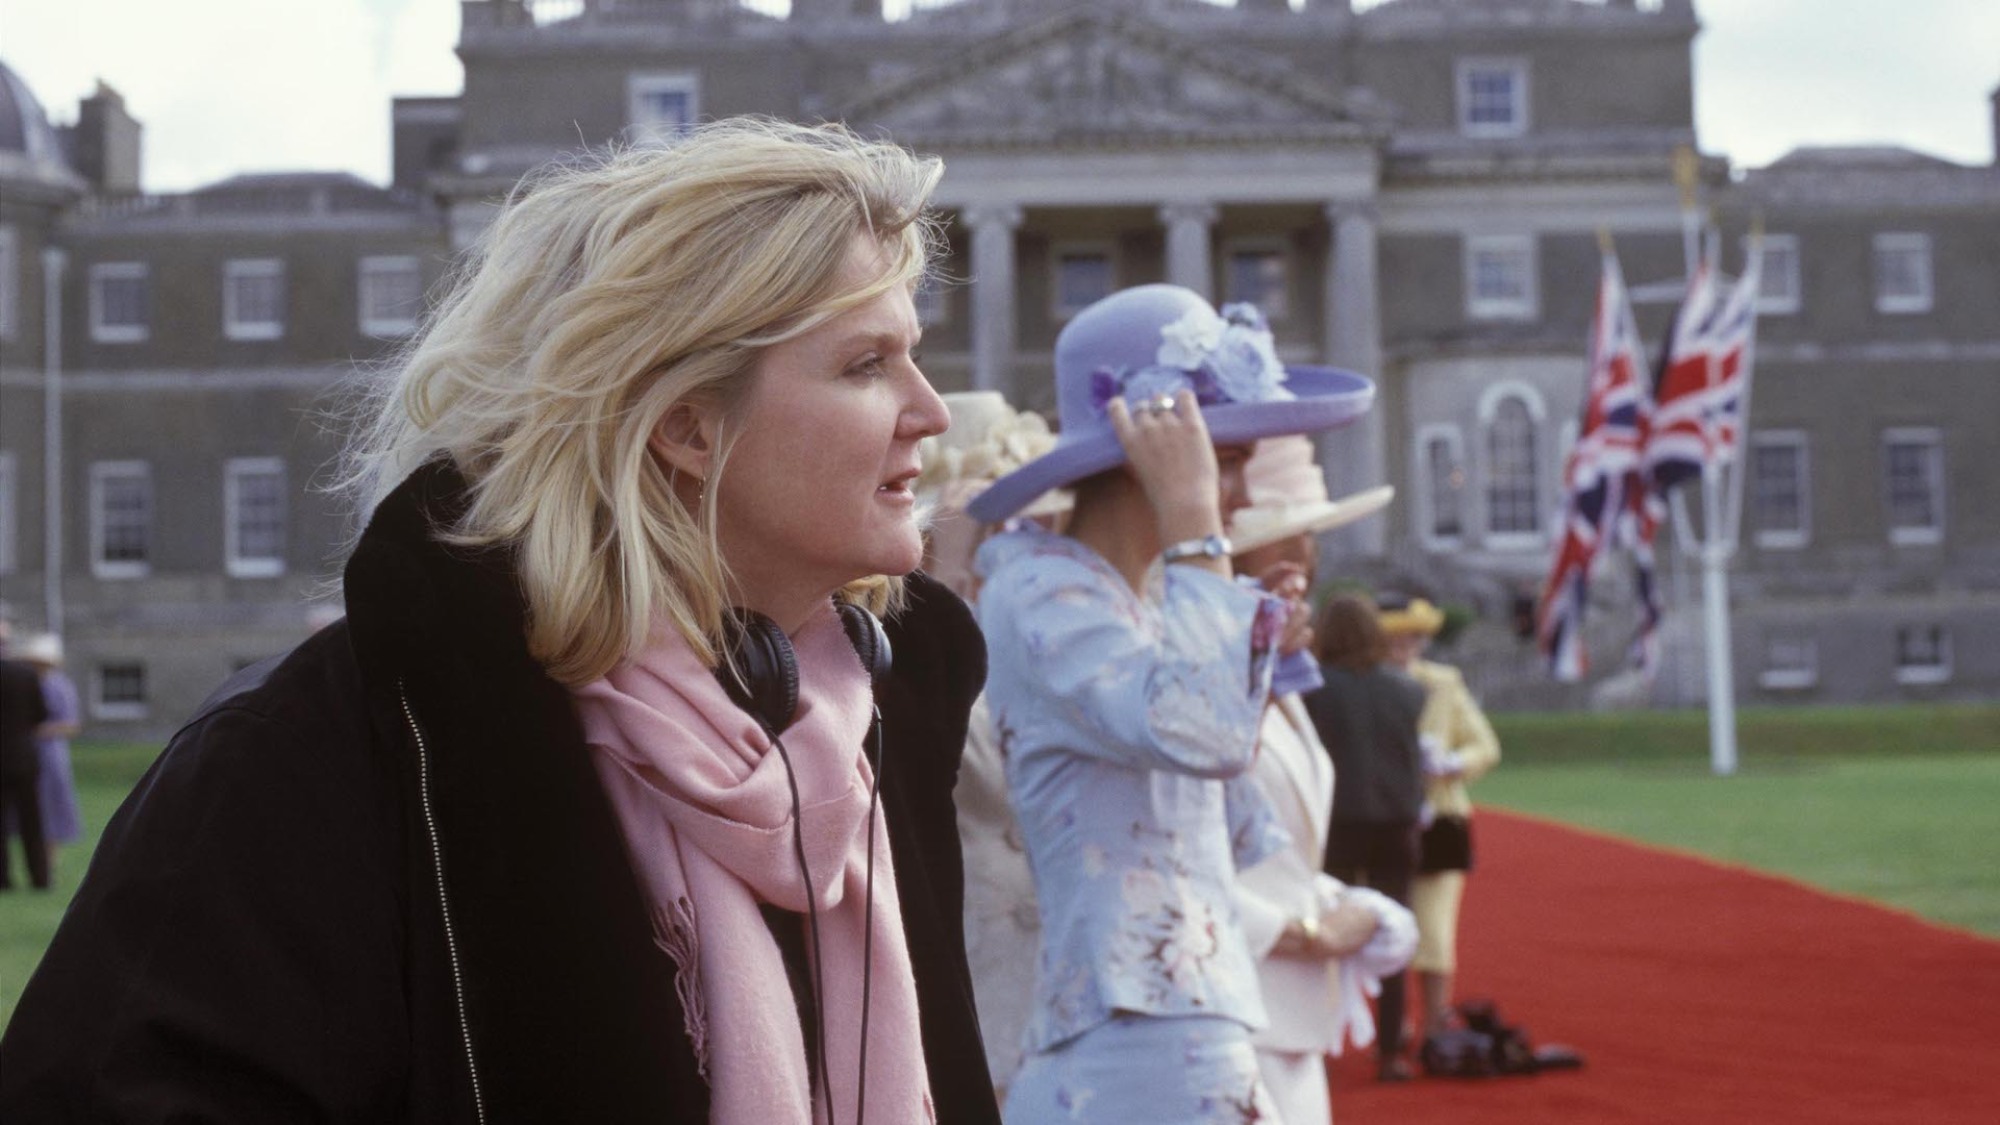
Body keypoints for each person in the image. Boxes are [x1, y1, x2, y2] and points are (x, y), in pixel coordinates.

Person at [1, 119, 1000, 1124]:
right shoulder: (313, 762)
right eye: (866, 365)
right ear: (686, 425)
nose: (931, 411)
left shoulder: (864, 741)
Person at [966, 284, 1375, 1124]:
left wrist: (1252, 660)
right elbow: (1202, 732)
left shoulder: (1152, 600)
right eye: (1217, 456)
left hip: (1191, 1013)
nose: (1234, 490)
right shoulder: (1039, 591)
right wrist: (1193, 526)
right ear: (1141, 447)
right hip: (1128, 1026)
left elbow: (1228, 825)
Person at [1227, 438, 1414, 1125]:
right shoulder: (1201, 685)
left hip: (1291, 1017)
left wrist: (1352, 906)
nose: (1309, 556)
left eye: (1310, 535)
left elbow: (1276, 849)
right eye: (1292, 534)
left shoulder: (1279, 680)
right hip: (1230, 1013)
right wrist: (1307, 930)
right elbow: (1158, 854)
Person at [913, 391, 1071, 1102]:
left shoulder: (1049, 627)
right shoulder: (914, 621)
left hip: (1060, 970)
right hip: (969, 953)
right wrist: (947, 562)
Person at [1305, 595, 1428, 1082]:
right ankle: (1390, 1049)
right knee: (1392, 934)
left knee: (1326, 936)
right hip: (1395, 823)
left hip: (1336, 824)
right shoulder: (1407, 690)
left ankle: (1322, 1043)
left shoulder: (1313, 689)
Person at [1376, 593, 1502, 1052]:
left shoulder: (1444, 684)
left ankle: (1433, 1022)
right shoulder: (1358, 684)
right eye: (1393, 635)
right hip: (1380, 815)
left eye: (1411, 634)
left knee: (1434, 925)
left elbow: (1484, 745)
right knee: (1382, 921)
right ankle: (1392, 1023)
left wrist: (1451, 764)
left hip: (1440, 817)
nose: (1403, 643)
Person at [7, 633, 84, 875]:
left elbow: (71, 724)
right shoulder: (21, 682)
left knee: (52, 810)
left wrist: (39, 729)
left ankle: (47, 865)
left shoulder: (59, 686)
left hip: (49, 755)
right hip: (21, 753)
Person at [0, 618, 52, 891]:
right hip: (23, 756)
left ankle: (3, 879)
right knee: (32, 820)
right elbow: (41, 714)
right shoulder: (25, 674)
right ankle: (40, 877)